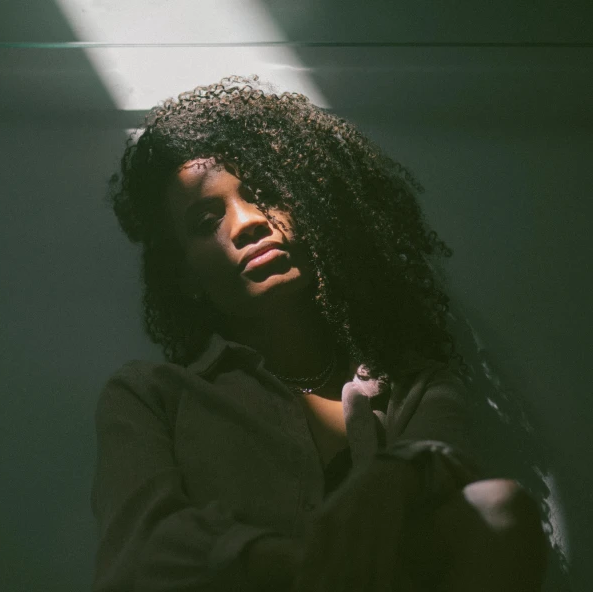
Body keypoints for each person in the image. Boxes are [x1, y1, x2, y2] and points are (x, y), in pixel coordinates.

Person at [90, 74, 548, 592]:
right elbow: (137, 555)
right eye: (205, 220)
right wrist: (298, 562)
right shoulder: (151, 398)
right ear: (186, 279)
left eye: (262, 193)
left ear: (314, 209)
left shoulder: (413, 386)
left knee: (497, 508)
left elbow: (451, 472)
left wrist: (396, 473)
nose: (246, 224)